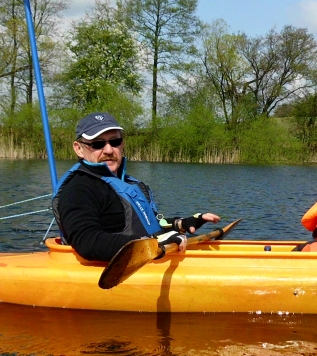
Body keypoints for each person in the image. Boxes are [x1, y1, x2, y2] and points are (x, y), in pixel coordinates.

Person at [52, 112, 220, 262]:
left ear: (122, 144)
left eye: (115, 141)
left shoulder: (129, 183)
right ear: (79, 149)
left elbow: (148, 226)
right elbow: (87, 241)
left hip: (146, 259)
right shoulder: (78, 189)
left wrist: (180, 224)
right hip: (108, 271)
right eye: (97, 144)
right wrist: (150, 244)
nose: (109, 150)